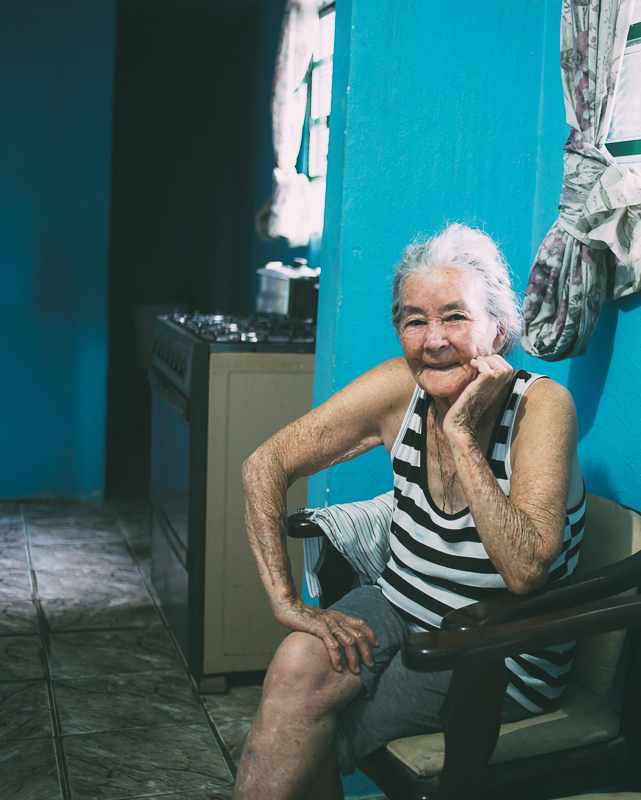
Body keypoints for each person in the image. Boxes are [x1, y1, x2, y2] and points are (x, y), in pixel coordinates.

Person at [234, 223, 586, 800]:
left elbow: (526, 572)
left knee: (304, 736)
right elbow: (264, 465)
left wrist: (465, 435)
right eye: (413, 320)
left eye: (454, 316)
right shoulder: (402, 388)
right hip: (399, 606)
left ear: (498, 329)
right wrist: (285, 602)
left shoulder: (542, 406)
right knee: (299, 660)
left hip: (496, 650)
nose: (433, 339)